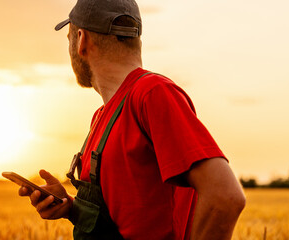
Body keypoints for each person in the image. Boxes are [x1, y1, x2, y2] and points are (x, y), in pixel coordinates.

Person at [18, 0, 246, 239]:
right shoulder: (102, 116)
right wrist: (70, 207)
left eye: (69, 37)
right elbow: (130, 218)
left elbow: (225, 197)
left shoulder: (151, 93)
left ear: (81, 39)